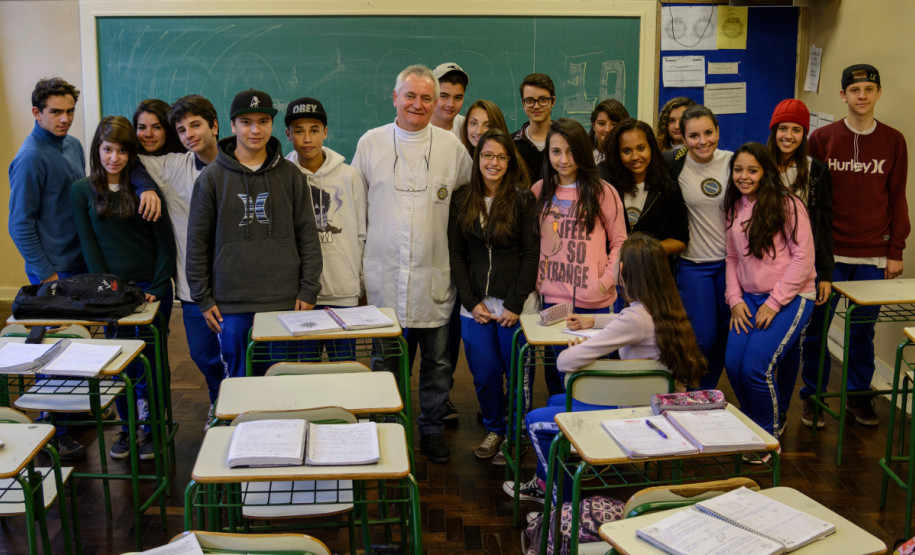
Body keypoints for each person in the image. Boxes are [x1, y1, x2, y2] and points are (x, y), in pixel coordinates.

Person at [8, 77, 160, 460]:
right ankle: (53, 429)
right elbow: (19, 224)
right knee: (56, 350)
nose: (64, 119)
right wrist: (47, 276)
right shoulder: (29, 158)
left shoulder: (72, 144)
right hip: (54, 271)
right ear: (36, 113)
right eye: (55, 112)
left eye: (69, 111)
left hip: (82, 265)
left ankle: (74, 413)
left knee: (78, 346)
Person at [503, 233, 706, 502]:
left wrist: (576, 349)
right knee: (555, 400)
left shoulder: (635, 318)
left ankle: (561, 503)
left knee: (535, 421)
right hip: (655, 404)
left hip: (634, 412)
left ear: (622, 269)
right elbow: (627, 321)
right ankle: (545, 482)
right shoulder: (664, 306)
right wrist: (593, 321)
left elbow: (564, 362)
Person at [352, 65, 472, 463]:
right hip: (384, 276)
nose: (417, 104)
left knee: (438, 363)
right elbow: (356, 212)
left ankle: (432, 427)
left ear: (435, 102)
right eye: (410, 95)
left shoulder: (452, 148)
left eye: (426, 98)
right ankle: (388, 424)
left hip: (434, 277)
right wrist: (358, 278)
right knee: (386, 359)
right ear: (394, 97)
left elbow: (466, 206)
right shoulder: (370, 143)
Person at [185, 89, 322, 381]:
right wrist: (203, 298)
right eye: (246, 122)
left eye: (263, 121)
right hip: (231, 303)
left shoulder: (291, 175)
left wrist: (308, 289)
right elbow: (197, 243)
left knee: (279, 378)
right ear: (232, 125)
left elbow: (308, 237)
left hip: (284, 301)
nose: (255, 130)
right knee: (240, 380)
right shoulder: (211, 178)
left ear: (272, 125)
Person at [800, 64, 909, 427]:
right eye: (855, 89)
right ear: (843, 95)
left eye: (869, 89)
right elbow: (808, 200)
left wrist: (896, 250)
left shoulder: (894, 140)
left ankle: (858, 396)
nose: (862, 95)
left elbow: (897, 196)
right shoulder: (822, 139)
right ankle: (813, 397)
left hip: (873, 254)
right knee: (817, 330)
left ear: (879, 94)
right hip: (828, 255)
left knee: (863, 331)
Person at [71, 116, 176, 460]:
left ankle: (154, 428)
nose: (114, 158)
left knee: (151, 361)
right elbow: (90, 248)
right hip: (112, 292)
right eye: (107, 150)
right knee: (121, 363)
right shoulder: (81, 191)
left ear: (131, 153)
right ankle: (129, 429)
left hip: (151, 290)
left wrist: (158, 287)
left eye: (121, 151)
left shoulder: (146, 190)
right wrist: (110, 290)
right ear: (97, 150)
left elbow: (165, 244)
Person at [448, 128, 538, 461]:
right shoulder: (461, 198)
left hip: (516, 306)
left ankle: (516, 434)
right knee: (485, 376)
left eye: (502, 157)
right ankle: (494, 429)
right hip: (475, 306)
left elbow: (531, 254)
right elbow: (456, 254)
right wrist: (471, 302)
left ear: (510, 161)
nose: (494, 163)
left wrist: (514, 304)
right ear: (477, 158)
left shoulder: (523, 199)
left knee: (518, 376)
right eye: (487, 155)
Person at [137, 94, 226, 428]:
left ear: (214, 126)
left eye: (196, 125)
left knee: (239, 353)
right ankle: (218, 400)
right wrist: (145, 187)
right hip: (194, 288)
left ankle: (237, 409)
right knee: (203, 354)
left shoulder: (238, 165)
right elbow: (125, 159)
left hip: (236, 286)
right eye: (182, 129)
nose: (189, 134)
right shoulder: (174, 166)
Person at [723, 143, 816, 442]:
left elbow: (804, 258)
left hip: (790, 297)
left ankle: (768, 435)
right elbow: (732, 257)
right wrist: (734, 299)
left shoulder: (787, 204)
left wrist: (775, 303)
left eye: (752, 170)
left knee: (755, 369)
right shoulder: (735, 205)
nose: (744, 176)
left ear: (765, 172)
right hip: (748, 298)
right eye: (738, 170)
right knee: (733, 365)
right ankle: (753, 422)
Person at [533, 118, 627, 397]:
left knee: (594, 375)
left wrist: (605, 281)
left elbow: (620, 241)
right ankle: (560, 422)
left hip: (595, 302)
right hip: (554, 300)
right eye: (556, 151)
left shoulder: (603, 191)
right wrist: (539, 281)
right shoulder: (539, 191)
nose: (563, 160)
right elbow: (531, 242)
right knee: (558, 371)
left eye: (571, 151)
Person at [765, 99, 834, 430]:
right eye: (783, 128)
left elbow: (825, 225)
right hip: (763, 271)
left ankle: (780, 413)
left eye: (796, 129)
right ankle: (761, 409)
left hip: (802, 271)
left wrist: (826, 273)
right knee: (764, 344)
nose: (788, 135)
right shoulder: (758, 164)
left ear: (804, 134)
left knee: (793, 344)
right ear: (773, 130)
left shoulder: (816, 171)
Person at [284, 96, 366, 360]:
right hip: (301, 296)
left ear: (325, 132)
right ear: (288, 135)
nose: (307, 139)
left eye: (314, 130)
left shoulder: (349, 176)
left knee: (344, 366)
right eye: (299, 131)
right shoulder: (282, 177)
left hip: (344, 291)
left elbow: (362, 234)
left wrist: (361, 285)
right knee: (306, 368)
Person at [663, 105, 734, 390]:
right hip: (693, 265)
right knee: (702, 336)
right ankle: (688, 386)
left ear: (718, 131)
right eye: (693, 136)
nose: (702, 141)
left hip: (731, 265)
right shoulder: (673, 165)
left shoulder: (733, 162)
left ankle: (705, 392)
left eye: (708, 133)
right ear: (682, 137)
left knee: (724, 334)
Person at [513, 73, 556, 179]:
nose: (536, 106)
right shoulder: (511, 143)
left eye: (543, 100)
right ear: (523, 104)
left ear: (553, 101)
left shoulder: (567, 140)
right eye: (530, 101)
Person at [431, 62, 469, 139]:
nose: (451, 104)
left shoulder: (469, 129)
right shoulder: (415, 127)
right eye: (444, 96)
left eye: (457, 98)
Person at [589, 98, 629, 163]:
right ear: (593, 126)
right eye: (601, 123)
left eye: (614, 124)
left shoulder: (629, 156)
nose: (607, 130)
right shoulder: (584, 155)